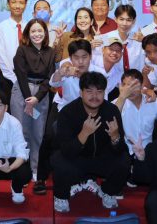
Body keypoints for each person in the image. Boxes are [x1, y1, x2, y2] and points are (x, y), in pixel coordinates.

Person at [51, 71, 130, 213]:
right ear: (81, 93)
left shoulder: (111, 111)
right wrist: (84, 134)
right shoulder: (68, 112)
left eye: (99, 92)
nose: (94, 96)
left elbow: (120, 149)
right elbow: (66, 151)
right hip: (76, 159)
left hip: (101, 158)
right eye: (89, 91)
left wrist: (115, 137)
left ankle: (108, 191)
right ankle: (61, 196)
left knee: (124, 159)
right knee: (58, 160)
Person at [35, 39, 104, 195]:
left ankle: (89, 176)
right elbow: (53, 83)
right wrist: (61, 73)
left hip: (90, 112)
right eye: (76, 57)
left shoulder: (98, 72)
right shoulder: (66, 68)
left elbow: (101, 97)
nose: (80, 61)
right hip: (64, 109)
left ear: (90, 56)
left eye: (84, 57)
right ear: (71, 58)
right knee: (49, 136)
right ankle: (41, 178)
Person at [11, 18, 55, 176]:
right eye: (33, 31)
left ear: (45, 33)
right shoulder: (22, 50)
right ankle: (21, 170)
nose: (37, 34)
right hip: (22, 93)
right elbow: (21, 74)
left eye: (40, 31)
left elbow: (50, 77)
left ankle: (35, 169)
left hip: (41, 95)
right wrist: (29, 100)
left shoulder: (51, 52)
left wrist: (37, 98)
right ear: (28, 34)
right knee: (22, 131)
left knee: (38, 133)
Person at [113, 69, 157, 187]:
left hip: (148, 149)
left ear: (142, 86)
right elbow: (111, 122)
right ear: (121, 87)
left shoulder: (155, 102)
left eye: (134, 86)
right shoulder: (116, 103)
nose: (130, 90)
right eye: (126, 85)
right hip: (125, 149)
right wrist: (122, 98)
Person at [0, 0, 28, 106]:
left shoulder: (30, 27)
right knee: (7, 110)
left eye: (21, 2)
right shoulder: (0, 28)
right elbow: (0, 56)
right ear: (8, 4)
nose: (17, 6)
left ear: (25, 5)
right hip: (8, 78)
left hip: (28, 78)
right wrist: (15, 79)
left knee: (30, 111)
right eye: (14, 2)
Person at [103, 4, 145, 71]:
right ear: (115, 19)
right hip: (111, 77)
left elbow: (143, 64)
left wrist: (144, 41)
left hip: (135, 77)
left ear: (133, 21)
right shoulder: (105, 37)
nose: (124, 23)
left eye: (128, 20)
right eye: (121, 19)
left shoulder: (139, 39)